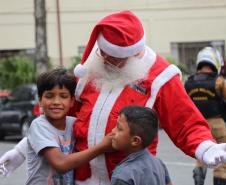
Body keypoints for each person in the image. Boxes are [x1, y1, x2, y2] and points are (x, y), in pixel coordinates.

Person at [1, 10, 226, 185]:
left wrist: (206, 148)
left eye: (112, 58)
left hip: (127, 177)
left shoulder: (160, 77)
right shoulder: (94, 65)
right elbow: (61, 122)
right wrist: (22, 150)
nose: (104, 60)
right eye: (102, 53)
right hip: (81, 179)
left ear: (132, 55)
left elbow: (185, 122)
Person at [26, 68, 112, 184]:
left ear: (72, 101)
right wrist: (102, 147)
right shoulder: (39, 125)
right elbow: (60, 164)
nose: (56, 101)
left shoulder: (75, 124)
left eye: (63, 96)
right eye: (50, 96)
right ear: (40, 100)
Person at [184, 47, 226, 185]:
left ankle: (198, 180)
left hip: (199, 125)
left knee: (202, 156)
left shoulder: (188, 83)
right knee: (221, 162)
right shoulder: (219, 81)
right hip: (218, 124)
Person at [110, 105, 172, 185]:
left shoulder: (123, 175)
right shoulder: (158, 163)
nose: (112, 131)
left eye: (119, 128)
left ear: (135, 140)